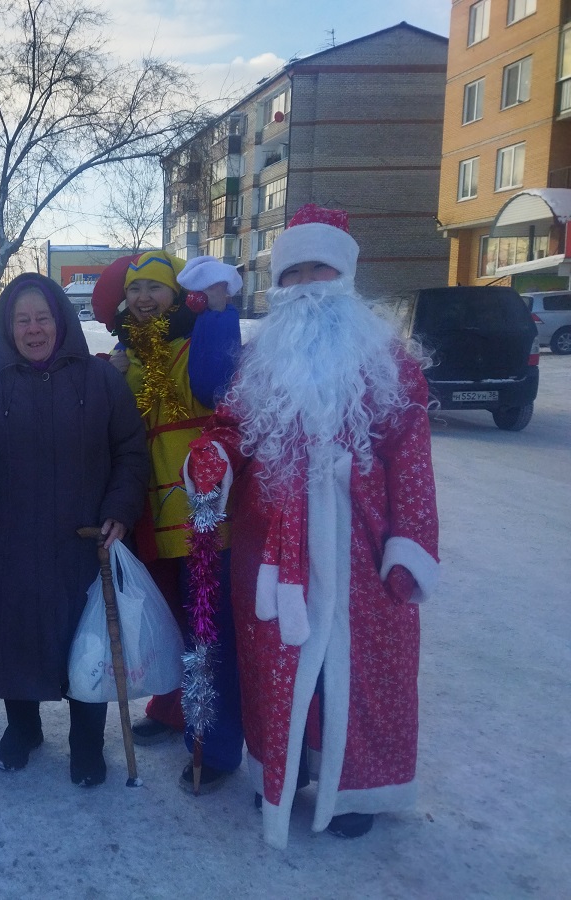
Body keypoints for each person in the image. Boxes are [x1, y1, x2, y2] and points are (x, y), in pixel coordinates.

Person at [187, 204, 440, 848]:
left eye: (317, 269)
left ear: (344, 274)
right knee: (274, 661)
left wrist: (410, 545)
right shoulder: (257, 363)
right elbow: (231, 427)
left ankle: (355, 787)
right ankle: (281, 769)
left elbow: (410, 456)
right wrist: (214, 457)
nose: (305, 285)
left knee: (358, 670)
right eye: (292, 273)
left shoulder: (389, 362)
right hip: (271, 544)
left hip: (361, 545)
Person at [0, 272, 148, 787]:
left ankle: (87, 743)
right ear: (8, 327)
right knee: (17, 638)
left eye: (42, 318)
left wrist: (121, 507)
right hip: (11, 544)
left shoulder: (101, 380)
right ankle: (23, 729)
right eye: (22, 320)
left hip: (83, 542)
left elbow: (131, 451)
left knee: (87, 643)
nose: (34, 329)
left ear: (61, 321)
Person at [93, 250, 244, 793]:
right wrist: (110, 378)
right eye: (135, 290)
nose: (143, 298)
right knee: (170, 620)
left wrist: (218, 313)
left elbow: (214, 384)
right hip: (150, 514)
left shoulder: (197, 340)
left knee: (209, 630)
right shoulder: (129, 356)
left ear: (178, 294)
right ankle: (172, 707)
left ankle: (215, 747)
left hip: (203, 513)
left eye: (155, 287)